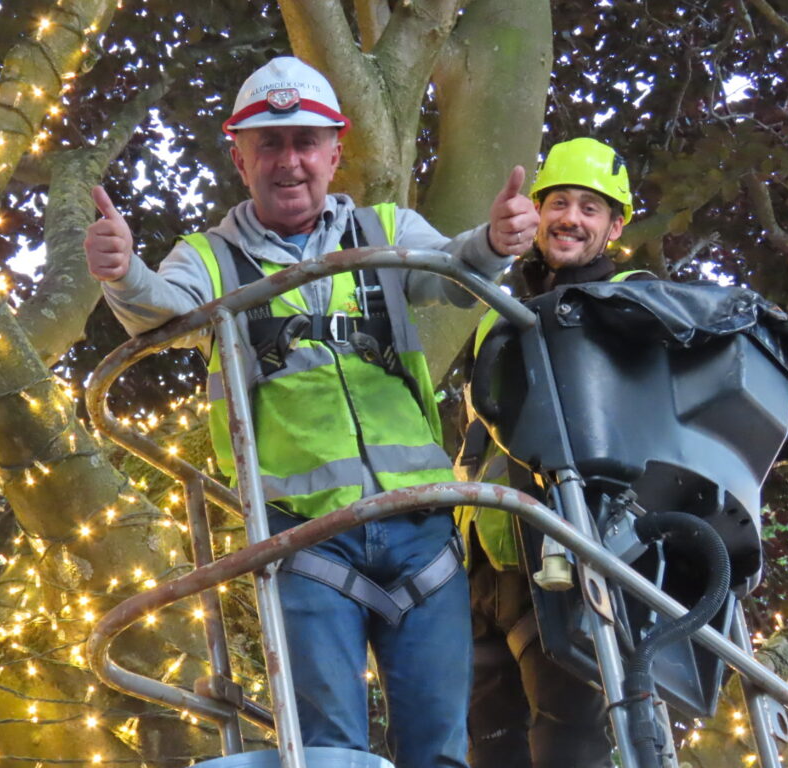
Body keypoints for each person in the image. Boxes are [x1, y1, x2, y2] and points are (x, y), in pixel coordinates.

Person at [86, 56, 538, 768]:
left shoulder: (383, 227)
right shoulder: (210, 258)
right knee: (327, 756)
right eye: (269, 144)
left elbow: (450, 270)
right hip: (307, 546)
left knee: (444, 756)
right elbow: (161, 308)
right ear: (239, 155)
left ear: (336, 148)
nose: (289, 161)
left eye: (304, 142)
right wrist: (122, 272)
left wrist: (494, 242)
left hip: (422, 535)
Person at [455, 137, 643, 768]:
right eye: (558, 202)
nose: (570, 218)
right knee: (488, 746)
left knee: (568, 743)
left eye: (591, 209)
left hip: (568, 550)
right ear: (534, 212)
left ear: (615, 226)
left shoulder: (635, 302)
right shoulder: (495, 310)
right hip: (483, 557)